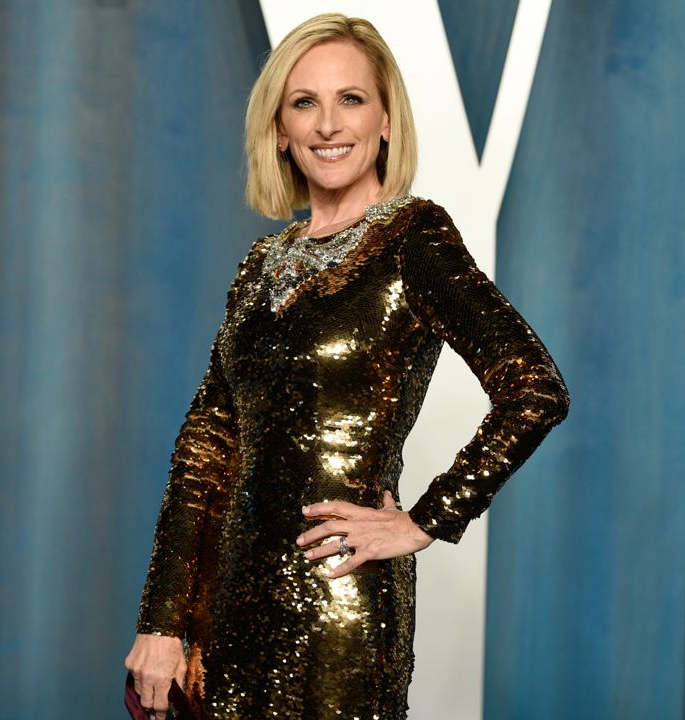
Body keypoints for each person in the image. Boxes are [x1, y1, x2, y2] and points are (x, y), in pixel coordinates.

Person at [125, 12, 568, 719]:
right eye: (305, 103)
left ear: (386, 120)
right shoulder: (260, 266)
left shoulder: (414, 238)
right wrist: (162, 621)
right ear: (279, 129)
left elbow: (535, 389)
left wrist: (426, 518)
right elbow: (206, 450)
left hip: (340, 603)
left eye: (351, 100)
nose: (329, 124)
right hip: (226, 610)